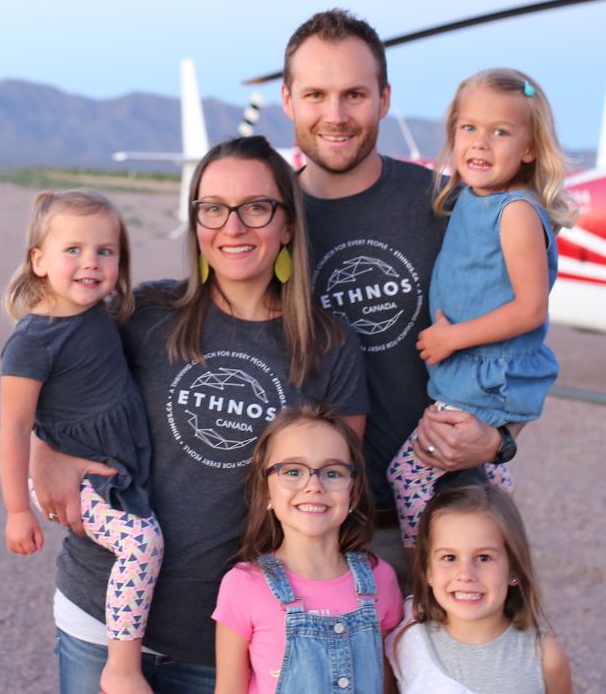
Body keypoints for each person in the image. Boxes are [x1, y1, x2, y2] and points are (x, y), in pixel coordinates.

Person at [29, 135, 370, 693]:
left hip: (230, 641)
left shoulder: (328, 344)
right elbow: (46, 373)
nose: (231, 227)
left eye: (255, 208)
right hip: (101, 615)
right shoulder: (145, 313)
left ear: (287, 224)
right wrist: (45, 451)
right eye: (212, 208)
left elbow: (339, 492)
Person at [279, 9, 514, 578]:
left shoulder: (447, 207)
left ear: (384, 98)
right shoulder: (263, 219)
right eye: (315, 95)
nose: (335, 116)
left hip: (438, 517)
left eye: (354, 94)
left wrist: (498, 439)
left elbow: (518, 337)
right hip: (298, 526)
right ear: (288, 101)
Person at [388, 69, 574, 549]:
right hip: (465, 373)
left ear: (530, 149)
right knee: (452, 482)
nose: (481, 143)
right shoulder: (471, 198)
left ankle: (427, 578)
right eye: (469, 127)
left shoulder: (514, 211)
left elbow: (530, 309)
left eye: (501, 132)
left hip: (483, 376)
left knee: (411, 477)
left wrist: (451, 338)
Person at [0, 189, 163, 694]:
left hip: (113, 459)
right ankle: (122, 665)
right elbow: (12, 427)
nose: (90, 263)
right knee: (142, 544)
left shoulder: (101, 311)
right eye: (73, 250)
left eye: (104, 251)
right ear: (39, 261)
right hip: (82, 472)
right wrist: (17, 511)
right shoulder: (33, 341)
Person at [213, 405, 402, 694]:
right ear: (266, 492)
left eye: (333, 473)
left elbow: (386, 685)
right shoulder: (242, 585)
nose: (314, 485)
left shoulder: (381, 579)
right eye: (292, 471)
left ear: (353, 492)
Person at [386, 486, 572, 694]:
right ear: (428, 570)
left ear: (514, 570)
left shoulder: (545, 657)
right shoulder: (409, 644)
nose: (465, 574)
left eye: (484, 558)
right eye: (450, 558)